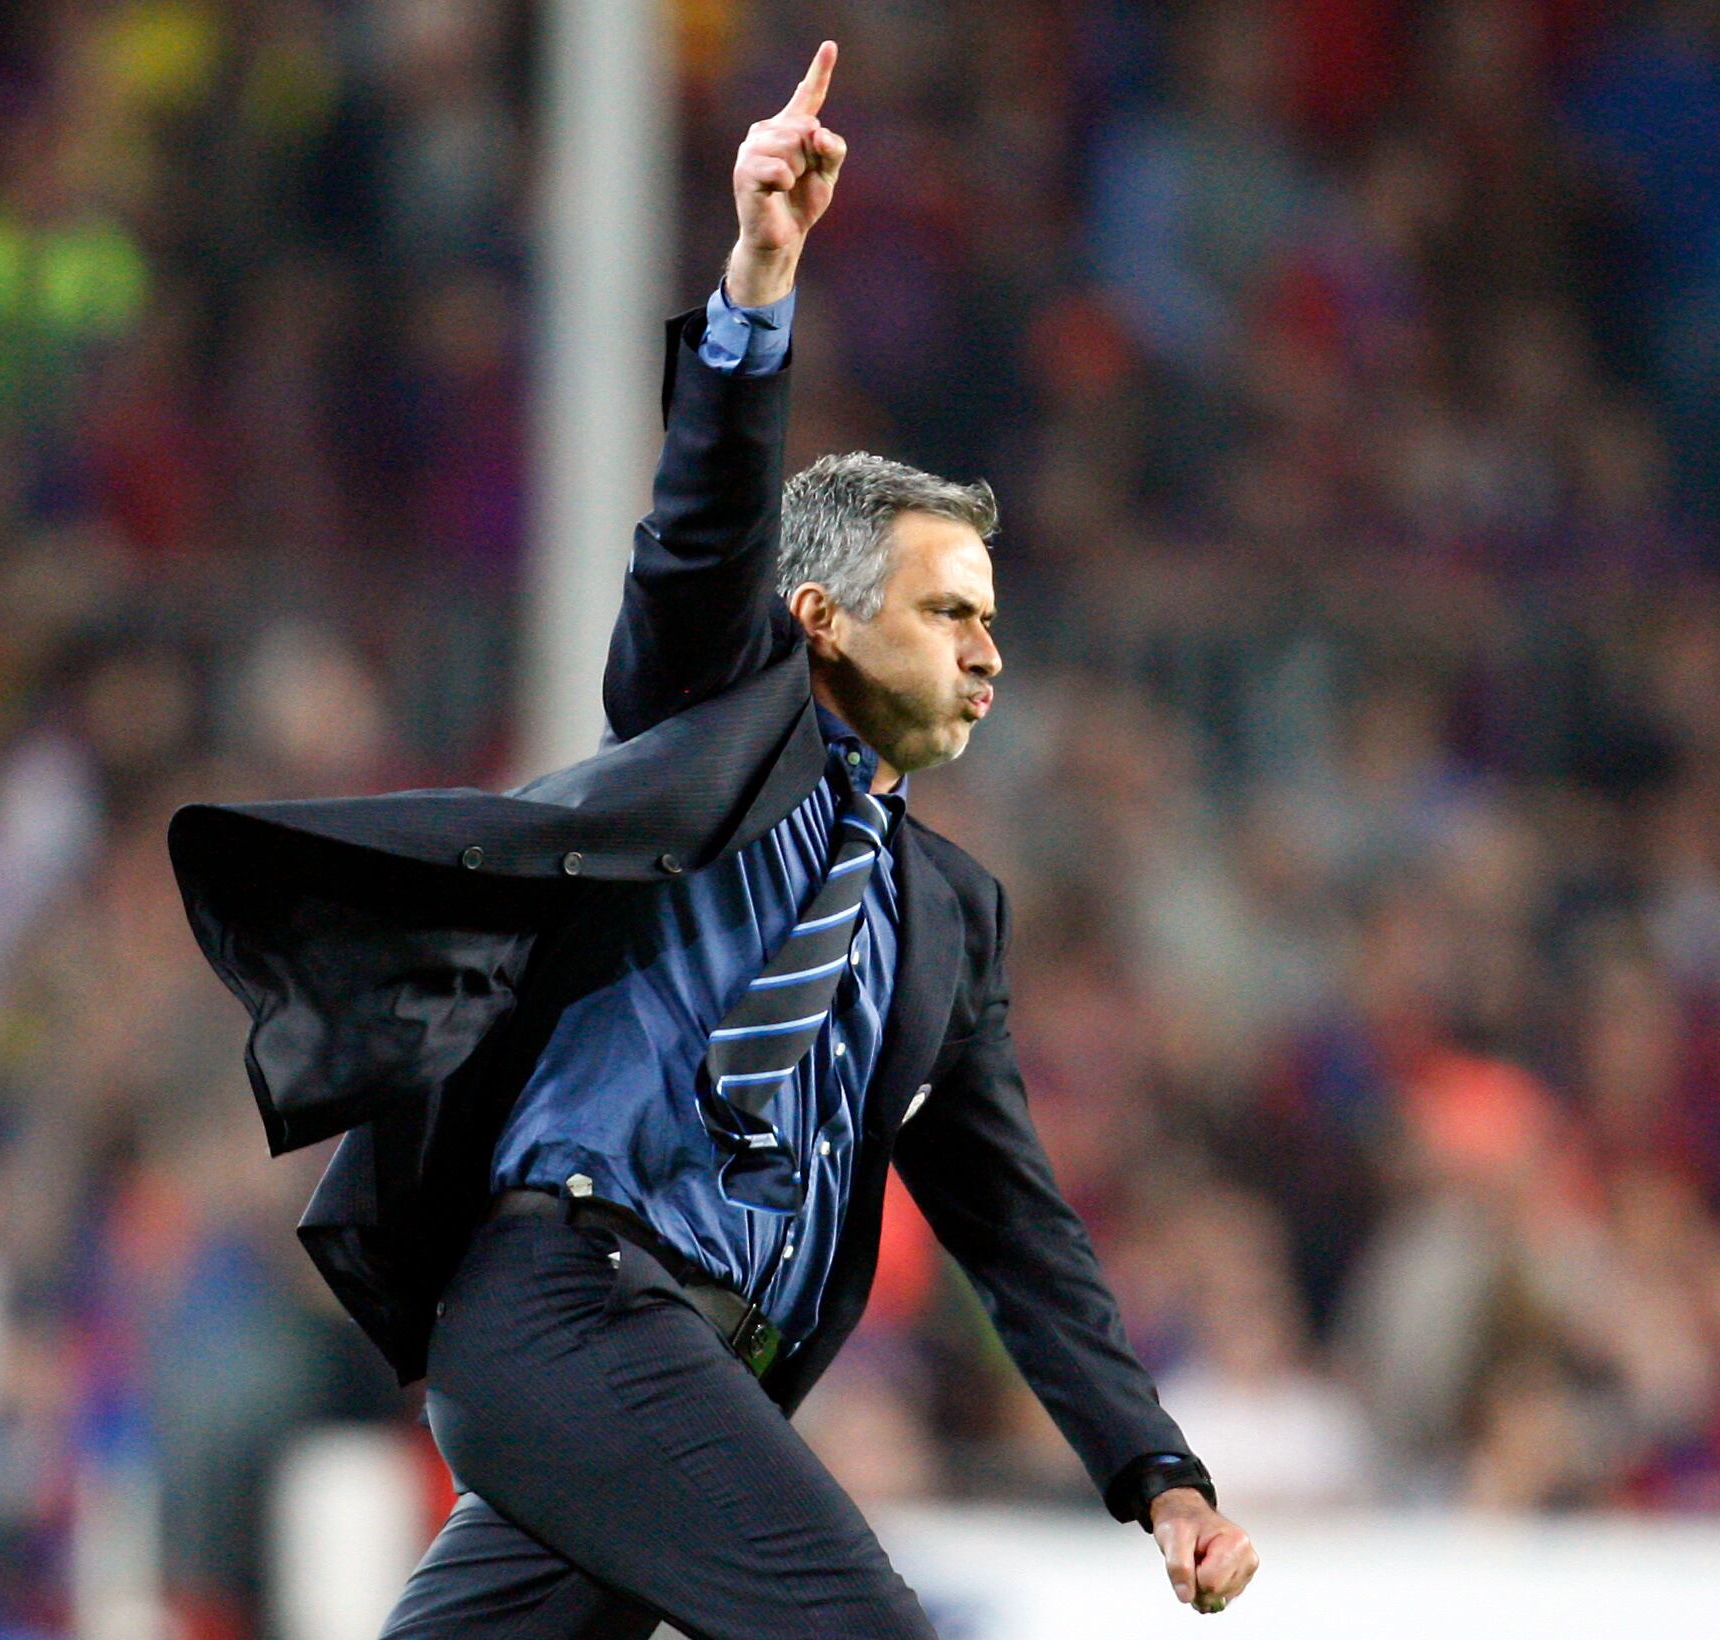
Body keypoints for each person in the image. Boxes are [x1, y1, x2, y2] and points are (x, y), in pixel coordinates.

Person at [168, 41, 1259, 1638]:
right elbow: (699, 541)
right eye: (948, 612)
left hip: (687, 1373)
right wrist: (758, 282)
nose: (988, 653)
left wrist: (1158, 1472)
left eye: (992, 620)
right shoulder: (718, 729)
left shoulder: (951, 917)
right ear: (819, 618)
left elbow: (1017, 1229)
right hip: (569, 1304)